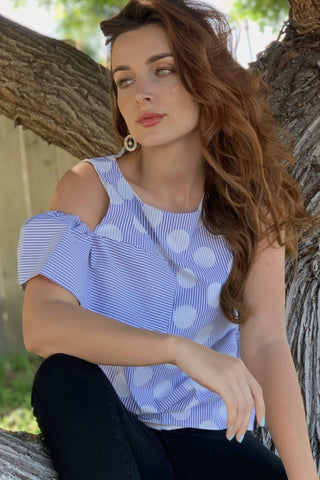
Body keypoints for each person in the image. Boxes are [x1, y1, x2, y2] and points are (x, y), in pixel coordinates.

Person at [17, 0, 319, 479]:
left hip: (209, 442)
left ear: (206, 80)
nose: (142, 94)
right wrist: (179, 348)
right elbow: (43, 324)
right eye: (125, 79)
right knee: (63, 377)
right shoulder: (89, 188)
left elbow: (265, 342)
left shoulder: (252, 204)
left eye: (163, 71)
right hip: (110, 428)